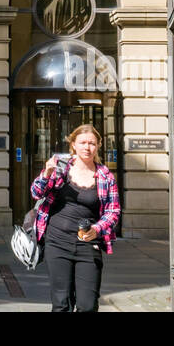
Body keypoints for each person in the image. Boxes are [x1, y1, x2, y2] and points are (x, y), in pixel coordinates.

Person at [30, 124, 120, 312]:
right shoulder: (60, 168)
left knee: (87, 306)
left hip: (88, 243)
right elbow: (36, 193)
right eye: (83, 143)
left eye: (92, 143)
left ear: (98, 146)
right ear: (73, 145)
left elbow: (113, 211)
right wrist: (46, 173)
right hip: (57, 242)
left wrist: (97, 229)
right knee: (61, 303)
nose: (87, 147)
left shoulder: (105, 176)